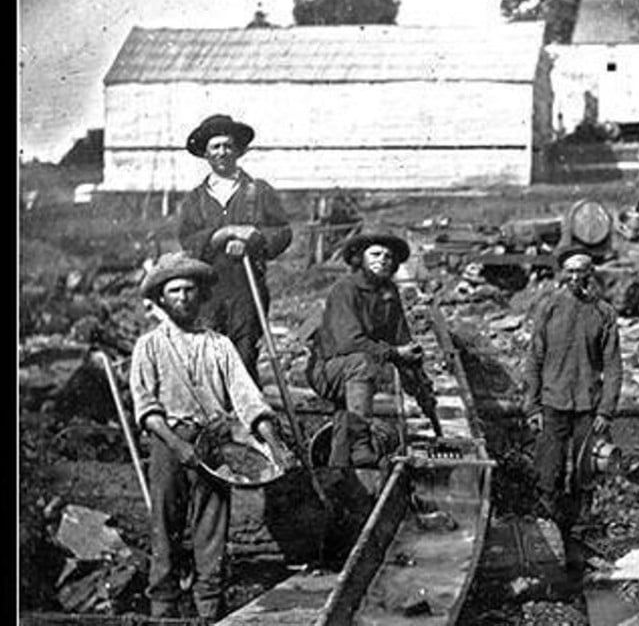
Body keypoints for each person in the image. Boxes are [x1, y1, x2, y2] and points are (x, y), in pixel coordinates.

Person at [130, 252, 295, 621]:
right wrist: (178, 446)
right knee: (165, 527)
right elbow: (146, 408)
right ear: (161, 299)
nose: (183, 298)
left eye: (190, 290)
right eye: (174, 292)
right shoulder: (150, 346)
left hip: (214, 445)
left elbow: (248, 399)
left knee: (212, 532)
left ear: (201, 295)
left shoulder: (219, 346)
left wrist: (274, 443)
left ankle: (210, 611)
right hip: (169, 442)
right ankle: (164, 609)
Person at [305, 231, 440, 471]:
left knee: (345, 419)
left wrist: (422, 388)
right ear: (360, 259)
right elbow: (350, 342)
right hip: (328, 369)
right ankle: (360, 446)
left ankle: (340, 474)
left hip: (356, 371)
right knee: (363, 363)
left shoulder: (389, 293)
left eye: (388, 256)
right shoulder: (345, 290)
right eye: (375, 254)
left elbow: (403, 342)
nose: (383, 260)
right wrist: (396, 353)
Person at [523, 245, 622, 556]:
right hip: (553, 403)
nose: (577, 276)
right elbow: (534, 359)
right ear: (563, 273)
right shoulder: (548, 307)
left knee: (585, 473)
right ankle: (548, 540)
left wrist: (606, 410)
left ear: (591, 274)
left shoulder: (603, 313)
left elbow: (613, 365)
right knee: (547, 472)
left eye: (583, 270)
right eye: (571, 270)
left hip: (588, 407)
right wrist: (532, 406)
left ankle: (579, 537)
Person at [178, 114, 292, 384]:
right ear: (205, 154)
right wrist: (221, 235)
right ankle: (214, 418)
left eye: (227, 146)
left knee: (243, 355)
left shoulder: (258, 191)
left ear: (238, 151)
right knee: (208, 353)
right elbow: (188, 240)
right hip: (207, 290)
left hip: (246, 286)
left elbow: (283, 231)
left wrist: (255, 238)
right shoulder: (195, 199)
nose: (222, 153)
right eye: (215, 147)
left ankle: (247, 419)